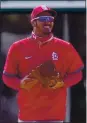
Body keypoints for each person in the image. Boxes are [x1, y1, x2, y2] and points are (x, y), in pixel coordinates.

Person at [2, 5, 84, 123]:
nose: (48, 22)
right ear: (33, 22)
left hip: (54, 115)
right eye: (43, 19)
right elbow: (7, 77)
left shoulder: (65, 47)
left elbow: (77, 74)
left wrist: (61, 83)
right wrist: (20, 84)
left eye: (50, 19)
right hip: (27, 115)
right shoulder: (17, 48)